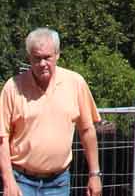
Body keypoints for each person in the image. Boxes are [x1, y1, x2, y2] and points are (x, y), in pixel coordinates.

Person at [0, 30, 102, 196]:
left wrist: (95, 174)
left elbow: (87, 130)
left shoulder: (75, 83)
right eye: (37, 58)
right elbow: (2, 138)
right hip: (21, 181)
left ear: (57, 54)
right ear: (29, 57)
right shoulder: (12, 88)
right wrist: (8, 180)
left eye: (47, 57)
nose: (42, 64)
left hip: (59, 183)